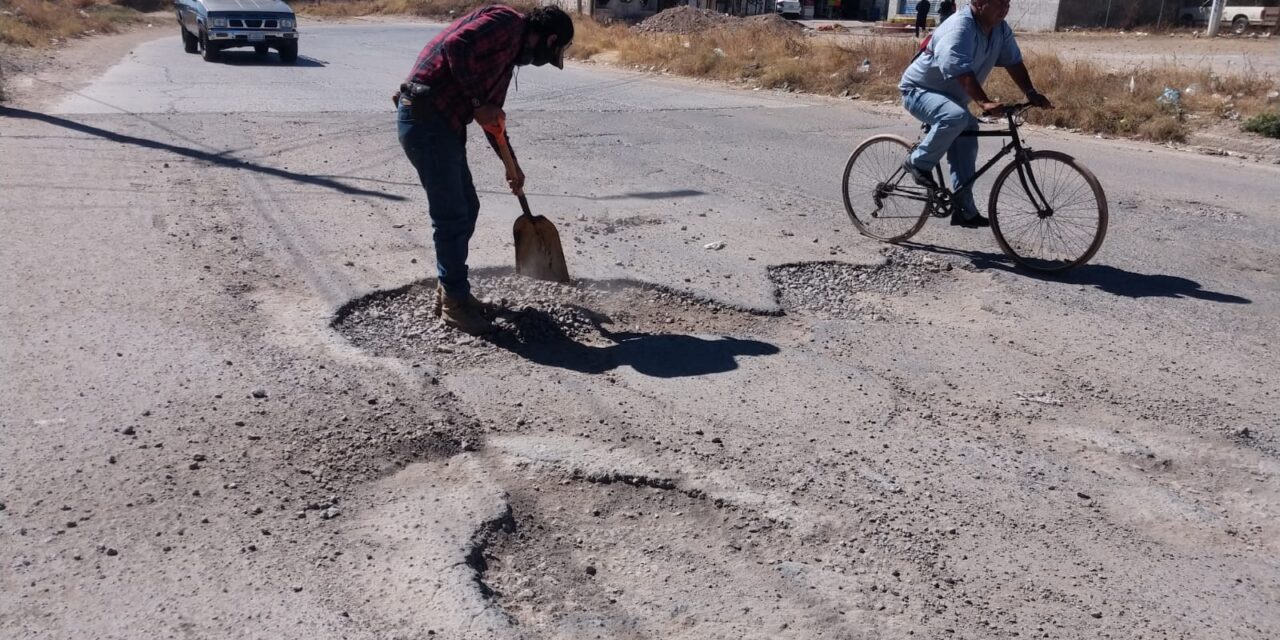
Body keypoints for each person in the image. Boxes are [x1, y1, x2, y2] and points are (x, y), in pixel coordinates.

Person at [396, 5, 574, 335]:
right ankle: (455, 304)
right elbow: (455, 47)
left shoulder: (507, 61)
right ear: (549, 40)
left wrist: (513, 167)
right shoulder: (507, 23)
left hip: (442, 125)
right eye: (548, 56)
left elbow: (493, 122)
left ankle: (451, 290)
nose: (539, 63)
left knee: (467, 208)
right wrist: (478, 103)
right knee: (452, 215)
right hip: (425, 120)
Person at [897, 0, 1052, 228]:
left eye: (1007, 3)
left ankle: (964, 209)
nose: (1005, 8)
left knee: (967, 134)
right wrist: (984, 102)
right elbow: (959, 69)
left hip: (953, 99)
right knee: (956, 118)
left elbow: (1014, 62)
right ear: (979, 3)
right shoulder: (959, 27)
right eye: (999, 3)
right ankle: (918, 163)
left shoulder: (1000, 29)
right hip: (919, 90)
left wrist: (1031, 92)